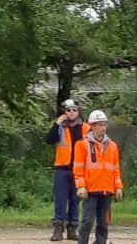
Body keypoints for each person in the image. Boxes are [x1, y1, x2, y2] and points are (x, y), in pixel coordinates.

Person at [72, 110, 121, 244]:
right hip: (91, 190)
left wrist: (118, 187)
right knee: (87, 221)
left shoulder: (112, 146)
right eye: (99, 125)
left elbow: (115, 169)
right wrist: (81, 186)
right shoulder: (82, 144)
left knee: (103, 223)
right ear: (92, 126)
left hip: (107, 190)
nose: (102, 128)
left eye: (104, 125)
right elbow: (78, 168)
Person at [44, 98, 87, 240]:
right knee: (60, 200)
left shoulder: (86, 128)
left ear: (78, 112)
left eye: (74, 110)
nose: (72, 112)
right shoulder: (60, 127)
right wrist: (56, 124)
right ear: (65, 112)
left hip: (79, 170)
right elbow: (49, 140)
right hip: (62, 168)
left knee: (75, 200)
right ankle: (58, 229)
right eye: (69, 110)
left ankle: (72, 229)